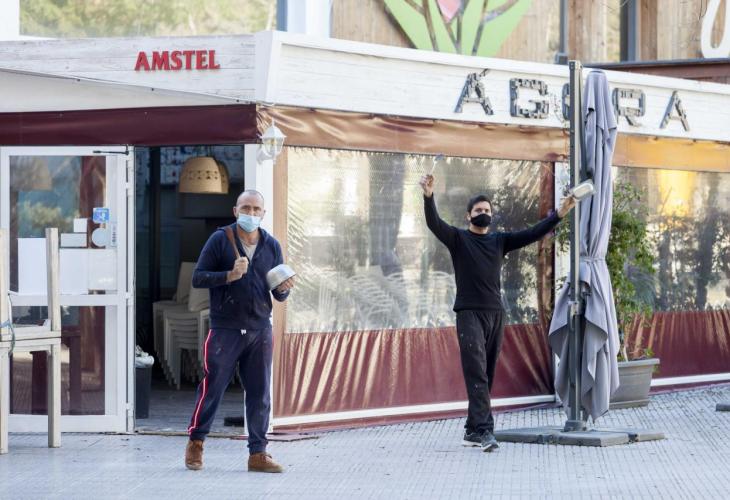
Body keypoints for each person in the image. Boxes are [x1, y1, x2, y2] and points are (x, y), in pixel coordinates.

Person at [419, 173, 575, 452]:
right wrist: (428, 196)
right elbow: (434, 223)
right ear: (468, 216)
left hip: (496, 315)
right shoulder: (458, 239)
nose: (484, 213)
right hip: (469, 314)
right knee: (477, 373)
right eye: (479, 210)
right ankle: (484, 431)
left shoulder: (499, 241)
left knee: (486, 374)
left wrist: (559, 214)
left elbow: (532, 233)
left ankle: (471, 429)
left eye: (487, 210)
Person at [184, 190, 295, 472]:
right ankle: (196, 442)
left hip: (260, 328)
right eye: (246, 208)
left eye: (256, 209)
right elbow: (198, 278)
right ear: (235, 211)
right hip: (226, 328)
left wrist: (284, 290)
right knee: (212, 388)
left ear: (263, 214)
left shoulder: (271, 245)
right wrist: (229, 275)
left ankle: (258, 454)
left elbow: (277, 291)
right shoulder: (220, 239)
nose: (251, 213)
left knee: (260, 393)